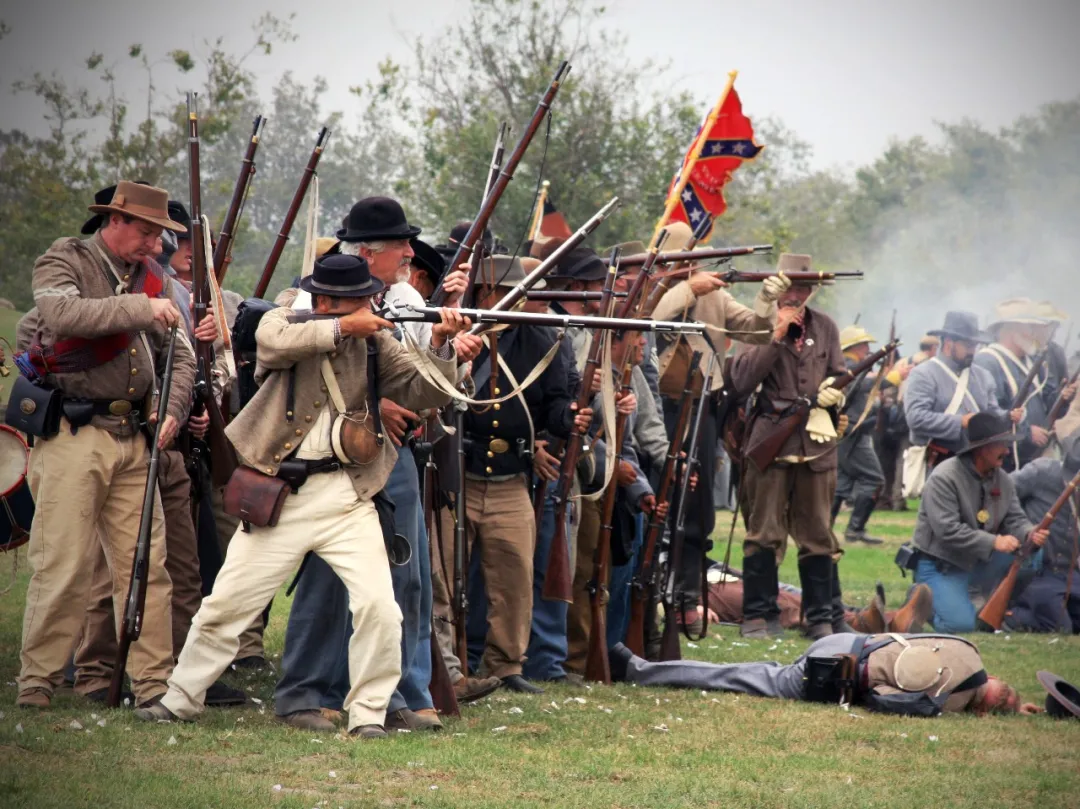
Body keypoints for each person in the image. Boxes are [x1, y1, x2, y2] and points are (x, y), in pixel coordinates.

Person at [135, 253, 479, 739]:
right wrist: (343, 328)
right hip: (285, 494)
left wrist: (445, 347)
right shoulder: (286, 319)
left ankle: (368, 714)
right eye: (360, 299)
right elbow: (272, 342)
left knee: (381, 607)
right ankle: (180, 699)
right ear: (327, 300)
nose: (370, 305)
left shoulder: (378, 341)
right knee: (226, 605)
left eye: (369, 298)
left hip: (347, 495)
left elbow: (425, 393)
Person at [271, 198, 471, 733]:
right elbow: (287, 365)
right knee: (326, 577)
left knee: (406, 575)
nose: (411, 253)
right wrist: (373, 403)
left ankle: (402, 693)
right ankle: (307, 693)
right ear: (366, 252)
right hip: (330, 455)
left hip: (394, 452)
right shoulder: (305, 297)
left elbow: (422, 384)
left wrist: (444, 343)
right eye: (401, 245)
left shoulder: (404, 295)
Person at [15, 181, 196, 709]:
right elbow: (63, 318)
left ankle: (153, 684)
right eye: (147, 232)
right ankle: (38, 681)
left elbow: (180, 358)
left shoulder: (151, 279)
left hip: (134, 437)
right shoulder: (64, 260)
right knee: (64, 565)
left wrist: (171, 408)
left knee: (146, 567)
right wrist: (142, 308)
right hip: (76, 433)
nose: (155, 245)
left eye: (160, 235)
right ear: (113, 221)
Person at [430, 254, 589, 696]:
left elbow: (556, 404)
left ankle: (506, 664)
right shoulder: (454, 333)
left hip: (509, 477)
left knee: (515, 577)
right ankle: (447, 663)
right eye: (510, 292)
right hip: (455, 475)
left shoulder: (541, 339)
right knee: (445, 575)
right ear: (485, 293)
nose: (520, 301)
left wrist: (571, 417)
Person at [650, 238, 784, 631]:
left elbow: (759, 332)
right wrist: (689, 287)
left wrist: (766, 298)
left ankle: (687, 598)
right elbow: (655, 319)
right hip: (658, 407)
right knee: (656, 502)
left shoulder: (715, 297)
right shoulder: (653, 287)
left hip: (701, 405)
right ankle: (651, 596)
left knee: (698, 504)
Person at [729, 254, 848, 641]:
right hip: (770, 438)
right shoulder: (757, 325)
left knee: (817, 534)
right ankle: (758, 616)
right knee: (763, 533)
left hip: (815, 441)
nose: (796, 294)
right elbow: (742, 381)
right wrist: (775, 334)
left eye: (803, 287)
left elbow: (842, 375)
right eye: (789, 287)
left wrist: (836, 394)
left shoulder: (825, 327)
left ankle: (821, 618)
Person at [608, 635, 1041, 716]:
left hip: (841, 642)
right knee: (736, 676)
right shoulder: (946, 701)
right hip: (837, 673)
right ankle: (640, 671)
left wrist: (1012, 702)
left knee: (748, 672)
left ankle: (641, 667)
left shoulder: (969, 652)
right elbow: (881, 697)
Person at [911, 412, 1049, 633]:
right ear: (983, 448)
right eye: (1001, 445)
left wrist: (1030, 533)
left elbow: (1015, 519)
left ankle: (987, 604)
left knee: (1033, 555)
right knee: (959, 625)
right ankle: (920, 598)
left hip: (976, 562)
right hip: (941, 565)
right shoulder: (944, 477)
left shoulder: (1002, 478)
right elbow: (947, 531)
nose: (1006, 451)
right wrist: (994, 542)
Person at [904, 311, 1017, 484]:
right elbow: (916, 418)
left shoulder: (983, 376)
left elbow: (992, 413)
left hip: (979, 461)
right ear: (949, 343)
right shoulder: (923, 374)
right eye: (968, 346)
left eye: (975, 346)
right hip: (941, 462)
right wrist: (961, 421)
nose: (973, 351)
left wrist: (1008, 416)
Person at [1007, 440, 1080, 633]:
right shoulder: (1041, 471)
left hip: (1071, 575)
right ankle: (1011, 616)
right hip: (1037, 575)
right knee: (1061, 628)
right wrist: (1023, 529)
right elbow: (1001, 494)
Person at [974, 298, 1053, 469]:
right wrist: (1026, 432)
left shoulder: (1030, 362)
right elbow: (989, 412)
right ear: (1011, 329)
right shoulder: (988, 361)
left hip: (1030, 456)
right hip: (1006, 458)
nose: (1033, 333)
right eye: (1029, 327)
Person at [831, 325, 887, 545]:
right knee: (874, 479)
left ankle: (824, 528)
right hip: (852, 431)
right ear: (854, 346)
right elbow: (861, 384)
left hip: (852, 430)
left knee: (842, 484)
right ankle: (855, 530)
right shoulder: (849, 366)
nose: (868, 348)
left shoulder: (849, 365)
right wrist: (892, 376)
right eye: (864, 345)